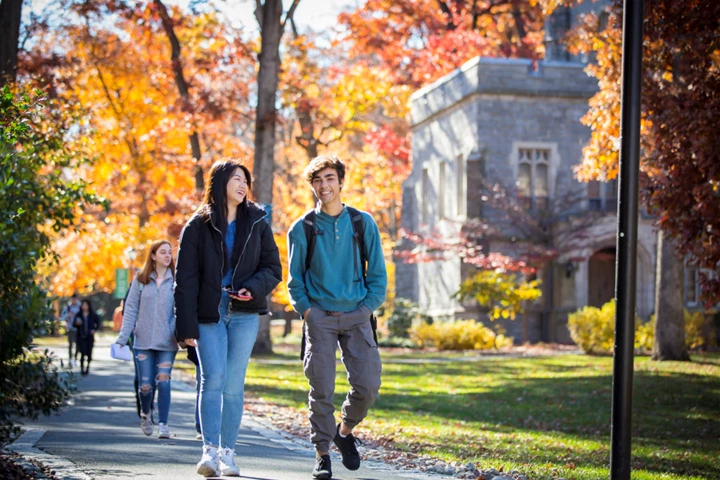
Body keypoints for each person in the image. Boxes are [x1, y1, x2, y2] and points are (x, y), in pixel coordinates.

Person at [175, 159, 282, 477]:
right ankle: (208, 453)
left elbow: (272, 268)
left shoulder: (259, 221)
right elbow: (186, 279)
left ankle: (228, 454)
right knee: (212, 380)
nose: (242, 185)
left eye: (245, 180)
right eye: (236, 178)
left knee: (234, 385)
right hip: (210, 312)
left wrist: (252, 288)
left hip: (246, 313)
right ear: (219, 182)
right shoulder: (197, 225)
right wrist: (185, 326)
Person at [287, 155, 387, 479]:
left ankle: (343, 433)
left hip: (357, 315)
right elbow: (295, 281)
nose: (324, 185)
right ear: (312, 186)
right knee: (321, 389)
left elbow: (379, 277)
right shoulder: (301, 229)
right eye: (317, 180)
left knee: (368, 385)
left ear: (340, 182)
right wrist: (308, 313)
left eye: (329, 178)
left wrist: (365, 308)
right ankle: (322, 455)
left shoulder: (362, 223)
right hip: (321, 318)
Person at [116, 240, 178, 439]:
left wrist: (180, 333)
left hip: (167, 341)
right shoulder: (141, 280)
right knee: (145, 385)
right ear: (153, 256)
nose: (167, 256)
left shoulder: (176, 281)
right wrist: (123, 337)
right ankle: (145, 413)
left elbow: (182, 310)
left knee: (164, 381)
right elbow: (131, 309)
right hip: (142, 341)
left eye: (169, 252)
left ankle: (164, 424)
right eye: (163, 252)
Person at [73, 298, 101, 375]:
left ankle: (88, 367)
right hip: (81, 336)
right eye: (83, 305)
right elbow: (74, 324)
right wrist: (77, 324)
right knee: (82, 352)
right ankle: (82, 368)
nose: (84, 307)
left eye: (86, 305)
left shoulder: (93, 314)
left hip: (89, 337)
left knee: (89, 353)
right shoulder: (78, 314)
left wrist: (94, 330)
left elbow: (98, 323)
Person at [64, 293, 81, 366]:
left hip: (78, 328)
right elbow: (63, 316)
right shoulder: (68, 307)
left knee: (78, 345)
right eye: (73, 299)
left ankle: (76, 359)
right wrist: (68, 316)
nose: (74, 300)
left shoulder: (80, 307)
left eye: (75, 299)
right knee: (70, 344)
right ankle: (70, 359)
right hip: (70, 328)